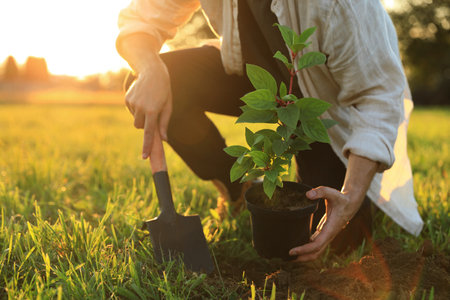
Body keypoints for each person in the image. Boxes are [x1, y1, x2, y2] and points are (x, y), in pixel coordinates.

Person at [116, 0, 424, 261]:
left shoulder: (341, 6)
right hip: (253, 74)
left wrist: (353, 192)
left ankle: (357, 195)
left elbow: (379, 96)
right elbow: (140, 19)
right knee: (161, 79)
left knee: (331, 240)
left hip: (325, 103)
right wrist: (151, 68)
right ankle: (238, 187)